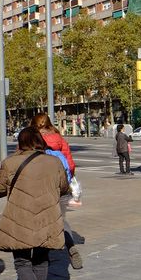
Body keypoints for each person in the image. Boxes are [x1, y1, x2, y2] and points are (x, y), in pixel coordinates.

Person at [0, 127, 70, 280]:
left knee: (22, 262)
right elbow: (64, 187)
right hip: (46, 217)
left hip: (20, 218)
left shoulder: (10, 162)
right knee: (42, 261)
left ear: (21, 142)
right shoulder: (54, 162)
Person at [31, 113, 83, 269]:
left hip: (38, 186)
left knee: (39, 220)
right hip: (60, 186)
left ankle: (41, 257)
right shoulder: (59, 138)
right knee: (59, 219)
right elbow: (70, 164)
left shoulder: (31, 138)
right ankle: (71, 247)